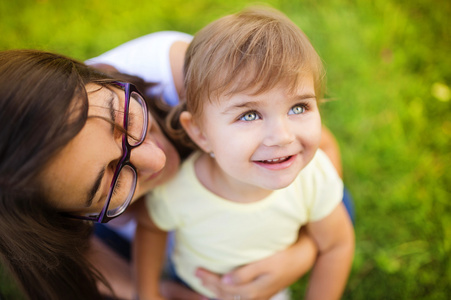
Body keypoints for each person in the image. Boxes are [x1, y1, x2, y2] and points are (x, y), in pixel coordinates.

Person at [0, 48, 319, 300]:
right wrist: (146, 291)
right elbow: (68, 259)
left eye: (124, 120)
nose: (157, 159)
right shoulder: (51, 229)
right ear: (67, 220)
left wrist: (304, 252)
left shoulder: (179, 70)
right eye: (112, 183)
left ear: (102, 75)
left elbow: (321, 153)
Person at [86, 30, 350, 299]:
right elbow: (151, 227)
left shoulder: (314, 176)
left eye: (298, 107)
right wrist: (149, 293)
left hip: (269, 284)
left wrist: (302, 256)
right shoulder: (178, 188)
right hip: (195, 285)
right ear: (200, 133)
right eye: (249, 115)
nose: (283, 136)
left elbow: (336, 246)